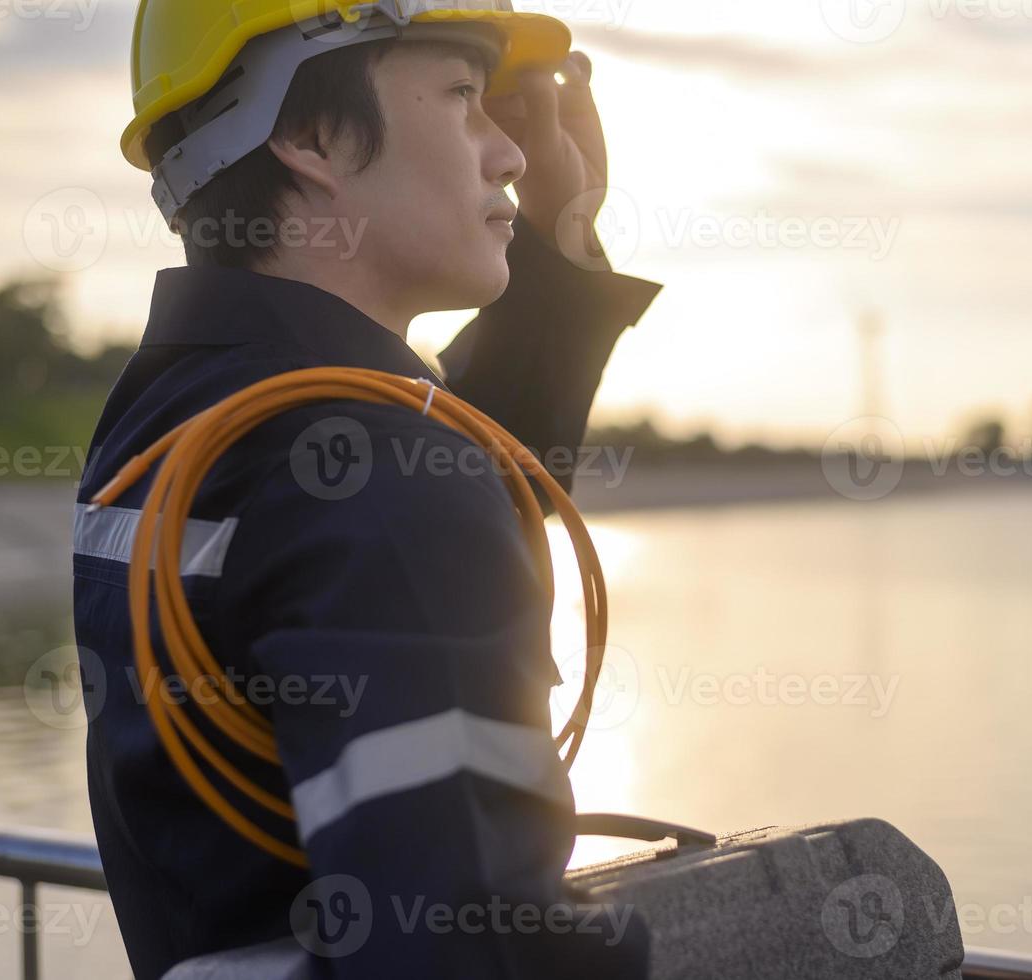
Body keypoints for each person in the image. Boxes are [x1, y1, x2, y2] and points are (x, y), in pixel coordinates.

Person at [72, 3, 661, 976]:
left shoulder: (163, 427)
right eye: (467, 97)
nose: (513, 152)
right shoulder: (377, 481)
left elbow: (445, 488)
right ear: (306, 135)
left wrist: (556, 246)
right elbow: (476, 952)